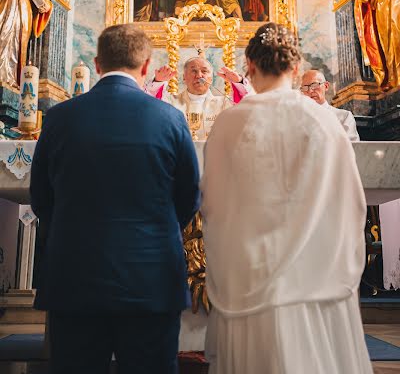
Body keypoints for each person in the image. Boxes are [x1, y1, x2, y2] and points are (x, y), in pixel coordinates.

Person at [202, 22, 372, 374]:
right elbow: (350, 201)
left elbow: (214, 205)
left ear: (249, 66)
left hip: (251, 269)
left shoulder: (230, 121)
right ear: (296, 69)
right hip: (316, 270)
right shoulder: (324, 121)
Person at [30, 24, 200, 374]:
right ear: (147, 66)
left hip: (75, 276)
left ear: (97, 63)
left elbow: (41, 198)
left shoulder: (59, 117)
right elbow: (187, 197)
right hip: (151, 279)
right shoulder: (171, 118)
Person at [146, 57, 250, 140]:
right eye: (194, 71)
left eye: (204, 71)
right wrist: (158, 81)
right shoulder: (170, 103)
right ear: (184, 77)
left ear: (211, 78)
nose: (199, 76)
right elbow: (150, 105)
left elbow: (246, 107)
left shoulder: (224, 104)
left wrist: (238, 82)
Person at [300, 69, 359, 141]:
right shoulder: (298, 119)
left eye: (314, 85)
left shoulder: (344, 117)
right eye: (305, 88)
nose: (310, 91)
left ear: (326, 86)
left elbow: (353, 148)